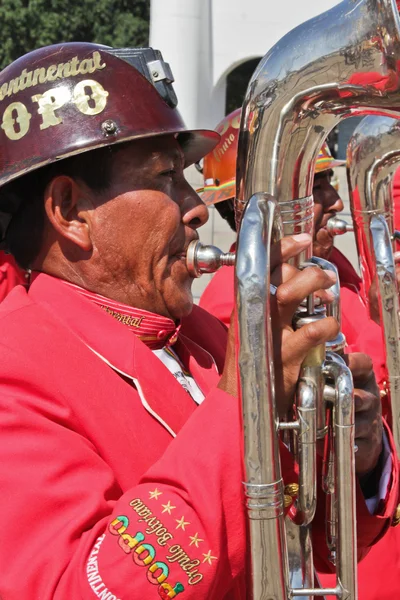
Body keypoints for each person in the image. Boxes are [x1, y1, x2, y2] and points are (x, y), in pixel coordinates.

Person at [0, 45, 397, 600]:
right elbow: (78, 587)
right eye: (166, 178)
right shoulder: (14, 368)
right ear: (70, 211)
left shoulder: (203, 338)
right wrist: (246, 404)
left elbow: (319, 542)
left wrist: (358, 450)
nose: (198, 209)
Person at [198, 108, 400, 600]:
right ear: (261, 208)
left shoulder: (338, 272)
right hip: (337, 547)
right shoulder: (240, 298)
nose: (333, 200)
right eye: (315, 187)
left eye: (330, 181)